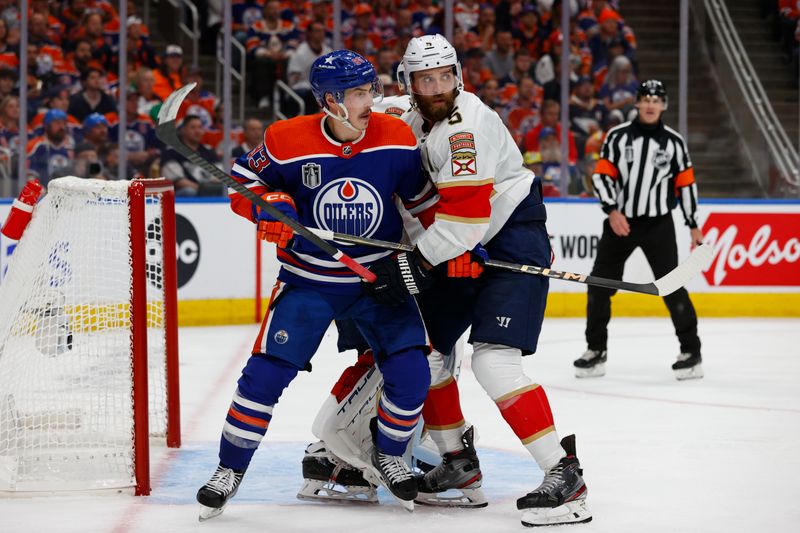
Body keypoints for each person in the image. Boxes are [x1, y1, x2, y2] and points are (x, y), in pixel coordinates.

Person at [309, 34, 592, 528]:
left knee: (493, 362)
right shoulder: (410, 112)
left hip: (509, 241)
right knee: (428, 354)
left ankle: (564, 474)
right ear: (409, 82)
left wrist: (414, 265)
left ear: (458, 76)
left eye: (444, 77)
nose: (438, 87)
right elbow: (357, 113)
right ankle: (458, 464)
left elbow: (463, 224)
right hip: (458, 242)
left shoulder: (466, 130)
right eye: (425, 79)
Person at [194, 49, 439, 520]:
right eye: (361, 92)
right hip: (309, 281)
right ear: (330, 100)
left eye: (372, 89)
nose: (373, 100)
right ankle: (229, 470)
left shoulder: (395, 137)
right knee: (264, 376)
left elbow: (424, 203)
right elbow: (241, 188)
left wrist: (450, 250)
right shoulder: (284, 140)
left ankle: (387, 454)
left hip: (379, 280)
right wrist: (269, 208)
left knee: (412, 373)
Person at [575, 79, 704, 381]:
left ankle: (691, 352)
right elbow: (602, 176)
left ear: (664, 105)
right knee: (598, 286)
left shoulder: (674, 143)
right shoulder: (617, 137)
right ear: (636, 102)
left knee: (672, 286)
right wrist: (612, 210)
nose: (650, 104)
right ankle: (595, 351)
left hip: (658, 224)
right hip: (620, 223)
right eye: (645, 98)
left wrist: (694, 224)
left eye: (656, 100)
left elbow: (685, 186)